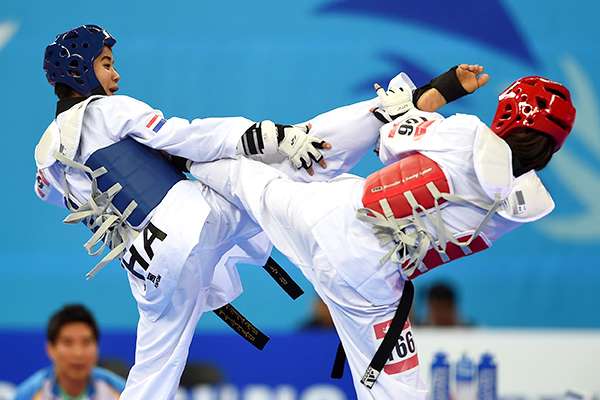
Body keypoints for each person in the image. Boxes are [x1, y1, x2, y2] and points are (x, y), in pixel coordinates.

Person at [34, 24, 472, 399]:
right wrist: (264, 135)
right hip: (194, 221)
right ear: (79, 69)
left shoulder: (46, 157)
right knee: (284, 158)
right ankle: (392, 110)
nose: (116, 74)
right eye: (106, 63)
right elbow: (184, 137)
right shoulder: (110, 109)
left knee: (152, 375)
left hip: (151, 272)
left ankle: (373, 119)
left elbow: (51, 195)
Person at [188, 74, 576, 399]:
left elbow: (388, 139)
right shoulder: (524, 209)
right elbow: (492, 174)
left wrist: (429, 94)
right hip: (374, 288)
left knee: (246, 173)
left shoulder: (464, 133)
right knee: (402, 392)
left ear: (507, 114)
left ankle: (176, 156)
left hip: (334, 221)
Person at [13, 304, 125, 400]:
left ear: (97, 347)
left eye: (86, 342)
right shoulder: (28, 394)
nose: (78, 353)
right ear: (50, 349)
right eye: (67, 343)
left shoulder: (120, 391)